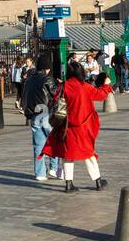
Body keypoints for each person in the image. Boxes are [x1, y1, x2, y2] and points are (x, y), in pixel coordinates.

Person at [42, 59, 111, 192]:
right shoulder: (86, 87)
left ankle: (69, 183)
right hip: (83, 127)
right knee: (89, 154)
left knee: (68, 155)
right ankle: (97, 181)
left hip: (67, 126)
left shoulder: (64, 86)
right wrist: (106, 85)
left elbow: (55, 101)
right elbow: (101, 95)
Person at [22, 59, 60, 181]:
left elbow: (24, 97)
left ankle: (40, 173)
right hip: (46, 112)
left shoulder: (29, 80)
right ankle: (54, 169)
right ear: (47, 68)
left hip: (34, 114)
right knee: (55, 141)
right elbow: (56, 94)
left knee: (38, 145)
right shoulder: (47, 79)